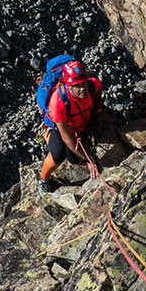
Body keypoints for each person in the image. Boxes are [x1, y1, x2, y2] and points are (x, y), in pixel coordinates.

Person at [38, 59, 112, 194]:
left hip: (78, 123)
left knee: (73, 158)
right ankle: (43, 180)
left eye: (83, 83)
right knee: (58, 153)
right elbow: (66, 137)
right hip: (59, 128)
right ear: (68, 86)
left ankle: (71, 160)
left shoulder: (92, 85)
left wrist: (98, 112)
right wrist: (87, 159)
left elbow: (98, 90)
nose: (82, 89)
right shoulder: (58, 103)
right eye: (77, 86)